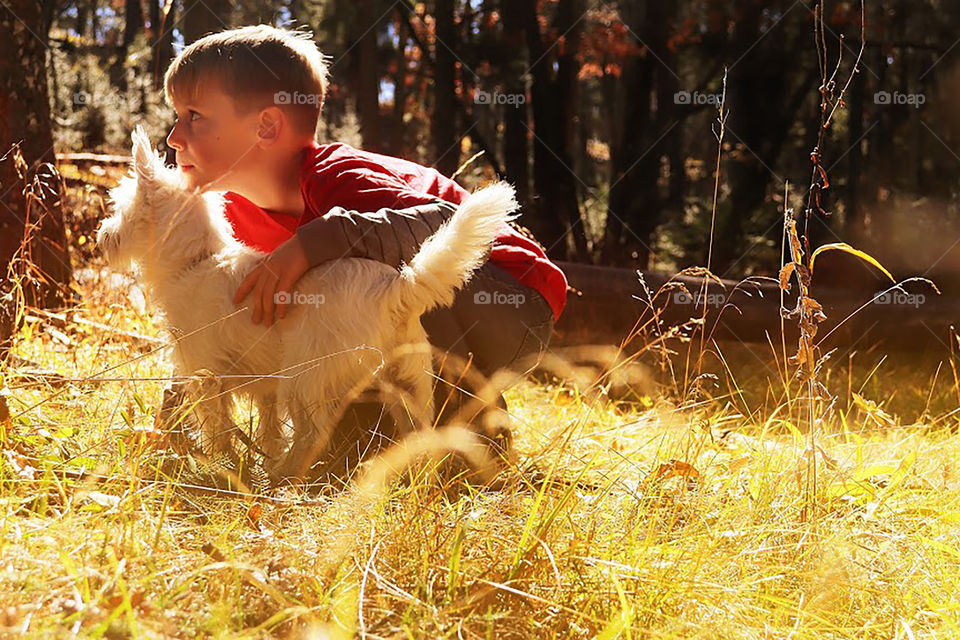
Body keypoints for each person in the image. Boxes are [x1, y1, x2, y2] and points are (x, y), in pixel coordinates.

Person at [159, 24, 568, 465]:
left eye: (194, 116)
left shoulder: (337, 176)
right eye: (177, 117)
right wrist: (189, 380)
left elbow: (450, 224)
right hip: (388, 317)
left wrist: (316, 240)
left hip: (505, 294)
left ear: (266, 125)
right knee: (351, 440)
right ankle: (384, 437)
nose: (173, 136)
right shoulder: (234, 214)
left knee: (407, 286)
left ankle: (469, 433)